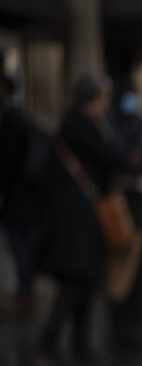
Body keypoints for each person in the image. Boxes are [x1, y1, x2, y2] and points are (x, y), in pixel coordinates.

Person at [36, 73, 134, 362]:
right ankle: (52, 336)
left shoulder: (77, 123)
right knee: (80, 277)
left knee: (85, 277)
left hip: (77, 210)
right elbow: (115, 155)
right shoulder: (82, 125)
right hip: (77, 212)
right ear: (95, 98)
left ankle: (79, 341)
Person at [0, 73, 42, 317]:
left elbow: (9, 162)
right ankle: (25, 293)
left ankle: (25, 295)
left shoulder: (12, 119)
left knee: (20, 246)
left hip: (18, 197)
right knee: (21, 245)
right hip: (24, 196)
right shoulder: (19, 117)